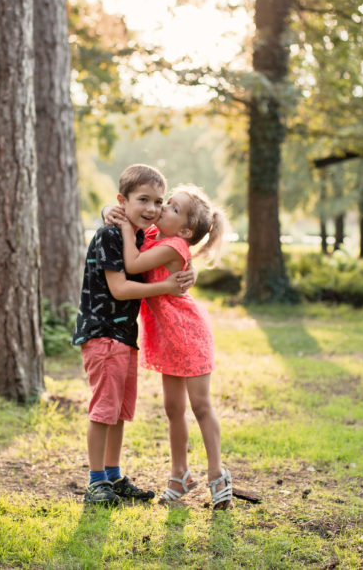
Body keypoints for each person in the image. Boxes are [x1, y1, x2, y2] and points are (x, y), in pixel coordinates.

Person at [73, 164, 195, 506]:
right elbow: (121, 287)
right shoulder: (110, 235)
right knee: (103, 410)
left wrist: (189, 271)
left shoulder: (140, 235)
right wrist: (165, 287)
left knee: (120, 411)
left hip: (125, 335)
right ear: (122, 201)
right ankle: (96, 481)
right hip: (102, 333)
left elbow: (174, 250)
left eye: (158, 201)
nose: (152, 209)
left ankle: (113, 474)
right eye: (143, 199)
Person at [113, 183, 234, 510]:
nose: (162, 209)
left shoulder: (175, 245)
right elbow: (133, 216)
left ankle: (217, 474)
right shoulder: (157, 235)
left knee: (200, 405)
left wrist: (124, 226)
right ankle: (180, 474)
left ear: (185, 229)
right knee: (172, 408)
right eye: (166, 203)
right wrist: (117, 214)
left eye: (173, 208)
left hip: (189, 332)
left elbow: (134, 264)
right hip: (167, 335)